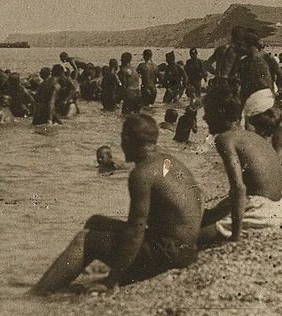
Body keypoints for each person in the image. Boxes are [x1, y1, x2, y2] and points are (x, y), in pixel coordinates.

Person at [30, 114, 203, 294]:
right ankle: (68, 275)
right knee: (95, 222)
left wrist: (111, 281)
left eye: (122, 138)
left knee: (85, 239)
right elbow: (200, 196)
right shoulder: (169, 161)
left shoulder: (142, 173)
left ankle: (36, 294)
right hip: (185, 250)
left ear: (127, 139)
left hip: (169, 254)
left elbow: (135, 232)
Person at [199, 80, 282, 244]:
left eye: (208, 112)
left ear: (221, 112)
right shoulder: (252, 137)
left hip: (260, 213)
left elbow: (238, 187)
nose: (204, 117)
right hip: (277, 209)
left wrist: (235, 235)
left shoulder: (225, 139)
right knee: (205, 216)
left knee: (191, 239)